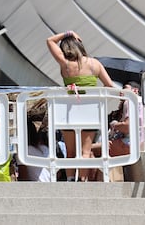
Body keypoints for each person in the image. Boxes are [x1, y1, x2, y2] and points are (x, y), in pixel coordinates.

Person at [46, 30, 113, 182]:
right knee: (85, 150)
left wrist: (67, 33)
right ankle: (82, 181)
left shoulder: (65, 64)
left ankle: (70, 180)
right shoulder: (94, 64)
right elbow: (109, 85)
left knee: (70, 151)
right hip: (90, 113)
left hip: (69, 114)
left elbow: (49, 41)